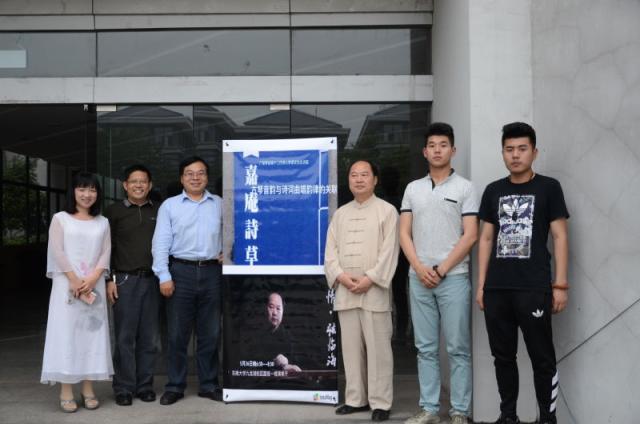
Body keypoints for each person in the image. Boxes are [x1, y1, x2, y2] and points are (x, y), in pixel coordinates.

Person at [476, 122, 569, 424]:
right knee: (503, 357)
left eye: (522, 149)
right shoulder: (493, 190)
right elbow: (486, 239)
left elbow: (560, 236)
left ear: (534, 152)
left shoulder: (549, 188)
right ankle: (508, 416)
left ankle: (547, 419)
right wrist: (481, 286)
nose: (515, 155)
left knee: (542, 358)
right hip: (497, 289)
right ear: (503, 153)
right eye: (509, 149)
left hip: (533, 287)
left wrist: (560, 285)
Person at [400, 123, 479, 424]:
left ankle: (460, 412)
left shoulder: (465, 188)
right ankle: (429, 409)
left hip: (454, 277)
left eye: (443, 145)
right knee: (425, 348)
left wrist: (442, 269)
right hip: (418, 278)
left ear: (452, 150)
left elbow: (470, 235)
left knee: (458, 348)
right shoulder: (413, 189)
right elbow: (404, 233)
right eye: (432, 145)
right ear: (424, 151)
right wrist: (420, 268)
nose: (437, 150)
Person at [324, 159, 399, 422]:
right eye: (354, 175)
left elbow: (390, 251)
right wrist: (341, 277)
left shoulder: (388, 211)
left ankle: (381, 402)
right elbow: (330, 252)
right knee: (351, 349)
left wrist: (371, 279)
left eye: (364, 174)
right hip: (346, 291)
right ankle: (356, 399)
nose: (358, 179)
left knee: (379, 350)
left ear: (375, 180)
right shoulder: (340, 214)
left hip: (374, 290)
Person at [152, 156, 223, 405]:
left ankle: (209, 384)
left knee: (210, 334)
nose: (195, 177)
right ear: (182, 178)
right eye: (190, 173)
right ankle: (175, 386)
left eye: (200, 173)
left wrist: (229, 253)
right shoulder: (169, 206)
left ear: (207, 177)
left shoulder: (220, 204)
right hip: (180, 272)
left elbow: (234, 234)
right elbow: (160, 242)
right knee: (177, 335)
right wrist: (164, 275)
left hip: (212, 273)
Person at [41, 172, 112, 413]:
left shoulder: (103, 222)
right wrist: (73, 279)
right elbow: (57, 251)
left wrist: (92, 279)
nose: (87, 194)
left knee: (91, 334)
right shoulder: (60, 219)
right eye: (82, 189)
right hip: (66, 286)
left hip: (93, 285)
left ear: (97, 194)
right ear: (73, 192)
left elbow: (106, 252)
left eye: (92, 189)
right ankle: (66, 390)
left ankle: (88, 388)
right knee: (66, 335)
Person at [104, 164, 160, 406]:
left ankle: (145, 386)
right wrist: (108, 279)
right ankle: (124, 387)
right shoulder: (113, 212)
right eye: (134, 181)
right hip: (124, 280)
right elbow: (105, 248)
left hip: (153, 280)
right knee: (125, 337)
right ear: (125, 185)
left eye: (143, 181)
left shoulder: (159, 210)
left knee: (149, 338)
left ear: (150, 185)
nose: (139, 185)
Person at [263, 292, 301, 372]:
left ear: (283, 311)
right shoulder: (254, 335)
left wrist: (288, 365)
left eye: (278, 308)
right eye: (271, 307)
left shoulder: (289, 338)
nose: (274, 313)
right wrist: (274, 363)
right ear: (265, 308)